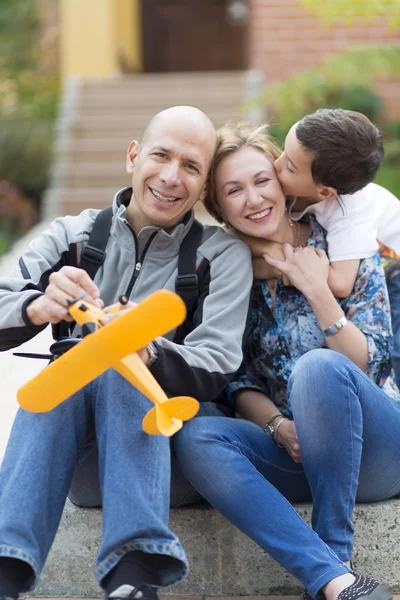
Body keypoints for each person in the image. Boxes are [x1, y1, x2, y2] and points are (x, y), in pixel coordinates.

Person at [0, 107, 252, 600]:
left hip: (169, 458)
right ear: (134, 157)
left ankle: (133, 578)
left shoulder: (221, 256)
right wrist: (38, 306)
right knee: (75, 360)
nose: (171, 177)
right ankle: (7, 570)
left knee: (117, 359)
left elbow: (218, 364)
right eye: (161, 155)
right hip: (77, 464)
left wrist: (145, 344)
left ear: (203, 189)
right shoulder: (71, 236)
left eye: (191, 166)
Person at [173, 122, 400, 600]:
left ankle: (335, 556)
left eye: (262, 180)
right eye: (233, 190)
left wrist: (318, 292)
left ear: (283, 184)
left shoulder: (342, 243)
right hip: (294, 453)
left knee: (319, 368)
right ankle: (335, 581)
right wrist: (277, 425)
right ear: (218, 206)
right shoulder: (226, 274)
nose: (253, 199)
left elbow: (370, 364)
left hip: (374, 446)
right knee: (196, 433)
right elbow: (235, 381)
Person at [245, 108, 400, 382]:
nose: (276, 165)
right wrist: (272, 254)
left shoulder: (349, 211)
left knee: (393, 362)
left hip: (394, 273)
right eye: (283, 152)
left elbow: (341, 283)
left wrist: (281, 265)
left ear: (325, 192)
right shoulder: (301, 185)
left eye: (289, 166)